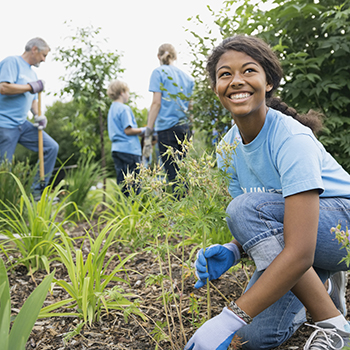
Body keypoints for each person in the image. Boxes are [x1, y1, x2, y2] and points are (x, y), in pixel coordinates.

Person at [185, 35, 350, 350]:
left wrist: (228, 318)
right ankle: (320, 284)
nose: (236, 81)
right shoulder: (228, 148)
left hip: (341, 228)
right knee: (256, 336)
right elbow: (268, 225)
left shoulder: (291, 139)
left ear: (269, 82)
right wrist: (234, 250)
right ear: (216, 87)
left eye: (248, 71)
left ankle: (333, 326)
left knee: (243, 209)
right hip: (303, 233)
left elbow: (294, 244)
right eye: (225, 74)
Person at [0, 37, 59, 198]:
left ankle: (36, 194)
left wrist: (39, 115)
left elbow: (33, 100)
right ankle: (5, 206)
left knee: (51, 147)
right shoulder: (12, 62)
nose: (44, 60)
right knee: (4, 168)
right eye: (43, 55)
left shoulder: (32, 73)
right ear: (34, 49)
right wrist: (30, 86)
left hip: (22, 124)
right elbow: (3, 87)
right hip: (4, 123)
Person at [143, 43, 194, 193]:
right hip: (185, 129)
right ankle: (188, 210)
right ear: (175, 56)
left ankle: (179, 213)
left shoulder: (158, 73)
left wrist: (148, 131)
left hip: (166, 129)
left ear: (158, 56)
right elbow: (190, 108)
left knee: (173, 175)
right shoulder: (188, 79)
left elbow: (156, 103)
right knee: (184, 173)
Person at [107, 80, 145, 197]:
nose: (128, 95)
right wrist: (144, 130)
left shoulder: (112, 109)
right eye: (128, 92)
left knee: (123, 184)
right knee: (134, 185)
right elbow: (128, 130)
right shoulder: (124, 109)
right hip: (129, 150)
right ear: (122, 92)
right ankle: (134, 212)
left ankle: (123, 211)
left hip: (117, 150)